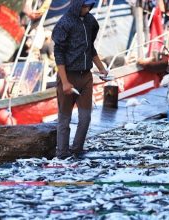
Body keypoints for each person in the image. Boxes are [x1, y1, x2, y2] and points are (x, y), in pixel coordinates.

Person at [52, 0, 108, 159]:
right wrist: (64, 82)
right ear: (77, 4)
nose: (87, 8)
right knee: (64, 118)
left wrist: (101, 68)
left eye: (90, 6)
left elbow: (90, 47)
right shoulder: (64, 23)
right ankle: (62, 153)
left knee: (85, 117)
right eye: (84, 5)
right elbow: (58, 54)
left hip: (86, 76)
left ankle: (77, 149)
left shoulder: (90, 21)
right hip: (68, 75)